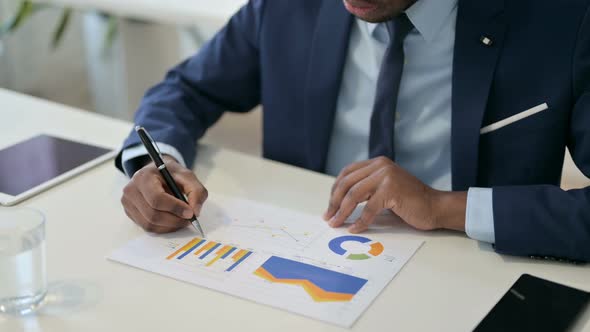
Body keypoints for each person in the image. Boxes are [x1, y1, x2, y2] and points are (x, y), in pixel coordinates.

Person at [116, 0, 590, 262]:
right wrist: (158, 165)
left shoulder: (562, 19)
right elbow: (186, 89)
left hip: (471, 274)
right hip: (300, 261)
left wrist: (442, 206)